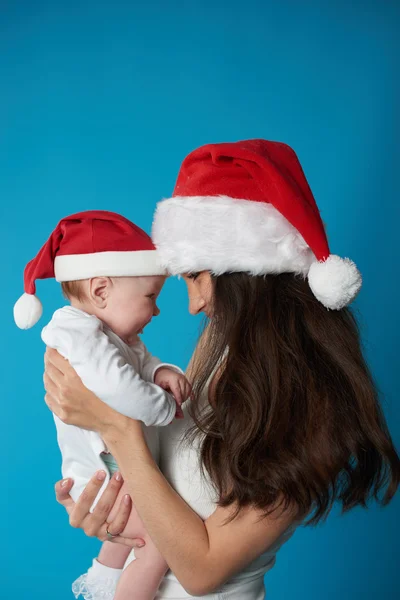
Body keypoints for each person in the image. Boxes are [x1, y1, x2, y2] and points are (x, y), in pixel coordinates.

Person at [43, 140, 400, 600]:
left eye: (194, 276)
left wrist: (114, 427)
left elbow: (202, 570)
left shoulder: (316, 407)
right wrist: (112, 515)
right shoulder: (222, 342)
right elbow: (160, 489)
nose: (190, 305)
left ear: (244, 274)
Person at [14, 210, 191, 600]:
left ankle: (103, 584)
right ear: (100, 291)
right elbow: (117, 386)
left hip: (113, 471)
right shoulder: (77, 334)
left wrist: (162, 371)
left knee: (130, 539)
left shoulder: (114, 336)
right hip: (97, 477)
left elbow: (142, 363)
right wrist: (164, 407)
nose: (157, 310)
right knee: (158, 544)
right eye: (151, 297)